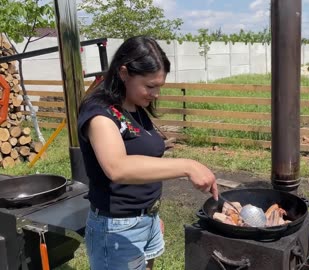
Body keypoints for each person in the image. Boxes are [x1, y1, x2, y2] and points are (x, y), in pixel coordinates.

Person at [77, 35, 218, 270]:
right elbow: (117, 167)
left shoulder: (135, 107)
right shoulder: (99, 113)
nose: (156, 94)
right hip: (116, 229)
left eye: (159, 86)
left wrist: (150, 213)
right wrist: (187, 166)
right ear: (124, 73)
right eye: (150, 86)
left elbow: (144, 159)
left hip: (145, 220)